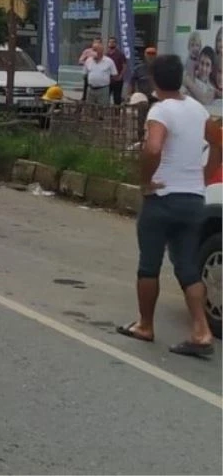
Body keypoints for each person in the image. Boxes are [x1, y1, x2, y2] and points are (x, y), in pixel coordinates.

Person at [117, 53, 221, 358]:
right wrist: (202, 177)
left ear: (154, 81)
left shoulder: (160, 111)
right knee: (188, 266)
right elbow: (218, 142)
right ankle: (202, 331)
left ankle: (145, 325)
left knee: (149, 264)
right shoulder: (198, 109)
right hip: (193, 199)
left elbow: (153, 148)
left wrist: (147, 180)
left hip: (162, 199)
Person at [83, 39, 116, 106]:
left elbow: (114, 75)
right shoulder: (88, 61)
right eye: (93, 50)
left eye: (95, 50)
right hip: (90, 89)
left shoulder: (109, 61)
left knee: (103, 110)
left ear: (101, 51)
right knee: (89, 109)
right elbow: (85, 74)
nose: (93, 52)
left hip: (103, 90)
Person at [106, 36, 127, 106]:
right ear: (108, 44)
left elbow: (124, 66)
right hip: (108, 80)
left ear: (116, 44)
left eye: (113, 42)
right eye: (110, 42)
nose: (111, 43)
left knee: (117, 99)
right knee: (106, 98)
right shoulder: (106, 55)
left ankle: (117, 115)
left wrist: (120, 76)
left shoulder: (120, 54)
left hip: (118, 80)